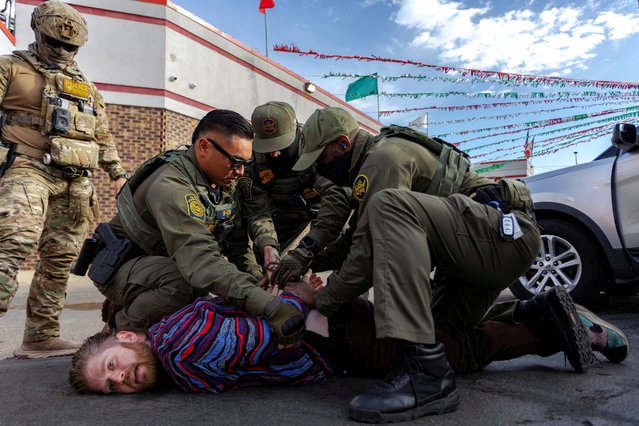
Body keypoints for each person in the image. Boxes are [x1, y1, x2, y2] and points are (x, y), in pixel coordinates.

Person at [271, 107, 544, 422]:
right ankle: (539, 313)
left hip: (501, 237)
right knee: (439, 336)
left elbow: (367, 251)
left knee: (387, 206)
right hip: (479, 254)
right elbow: (354, 241)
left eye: (323, 159)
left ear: (344, 145)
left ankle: (425, 377)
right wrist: (303, 259)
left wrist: (322, 298)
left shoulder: (383, 158)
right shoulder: (373, 166)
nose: (320, 169)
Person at [68, 280, 629, 395]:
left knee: (453, 354)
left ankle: (554, 334)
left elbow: (263, 337)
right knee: (439, 330)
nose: (122, 379)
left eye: (113, 365)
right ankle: (533, 311)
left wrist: (297, 301)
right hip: (328, 318)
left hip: (331, 340)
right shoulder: (170, 328)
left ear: (124, 336)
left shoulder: (182, 353)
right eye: (112, 387)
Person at [83, 109, 306, 349]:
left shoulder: (221, 182)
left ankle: (141, 306)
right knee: (188, 284)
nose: (240, 171)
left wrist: (258, 285)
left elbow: (236, 244)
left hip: (159, 262)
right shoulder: (171, 186)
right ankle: (120, 326)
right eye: (235, 162)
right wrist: (271, 308)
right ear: (203, 147)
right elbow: (200, 261)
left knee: (219, 293)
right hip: (120, 265)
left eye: (245, 163)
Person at [0, 1, 128, 359]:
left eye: (70, 47)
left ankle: (40, 336)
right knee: (12, 245)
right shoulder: (10, 68)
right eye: (53, 42)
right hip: (26, 168)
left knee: (59, 260)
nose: (61, 51)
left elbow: (103, 135)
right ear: (37, 32)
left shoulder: (86, 86)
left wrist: (118, 175)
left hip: (75, 183)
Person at [225, 101, 345, 278]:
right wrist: (268, 246)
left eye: (281, 146)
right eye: (268, 148)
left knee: (343, 254)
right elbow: (258, 213)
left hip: (326, 211)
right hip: (283, 215)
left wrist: (306, 252)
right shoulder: (252, 163)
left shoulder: (317, 146)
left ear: (296, 132)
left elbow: (338, 198)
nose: (274, 154)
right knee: (267, 262)